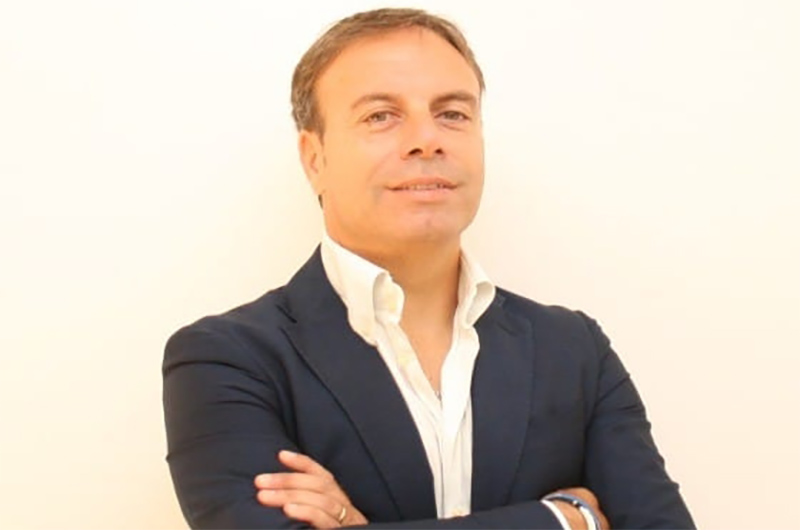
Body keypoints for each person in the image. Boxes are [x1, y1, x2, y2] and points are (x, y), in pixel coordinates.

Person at [162, 8, 695, 530]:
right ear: (314, 157)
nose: (427, 138)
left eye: (452, 113)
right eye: (380, 115)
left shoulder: (574, 349)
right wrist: (561, 518)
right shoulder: (227, 360)